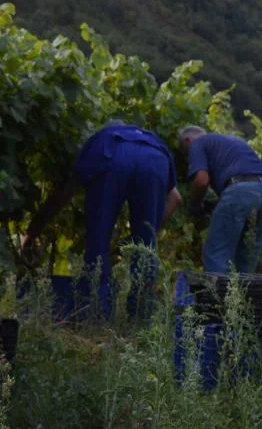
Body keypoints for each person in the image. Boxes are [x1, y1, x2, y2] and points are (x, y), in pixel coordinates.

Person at [23, 120, 181, 318]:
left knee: (98, 238)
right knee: (146, 248)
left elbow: (64, 193)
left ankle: (98, 313)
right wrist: (147, 232)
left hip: (112, 158)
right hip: (155, 162)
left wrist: (32, 233)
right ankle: (141, 316)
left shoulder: (102, 138)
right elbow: (176, 198)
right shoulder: (153, 141)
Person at [178, 126, 262, 274]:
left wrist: (194, 205)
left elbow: (201, 181)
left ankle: (217, 297)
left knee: (217, 253)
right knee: (247, 256)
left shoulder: (197, 143)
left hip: (240, 190)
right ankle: (242, 296)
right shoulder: (233, 141)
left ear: (187, 140)